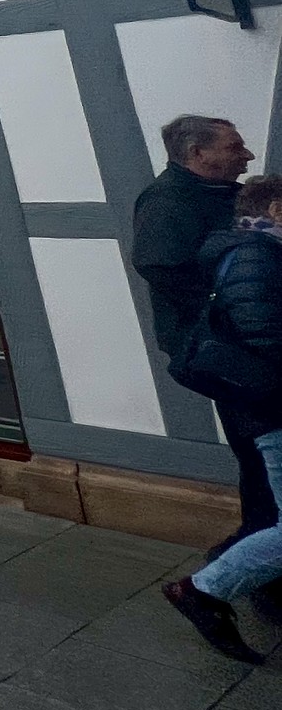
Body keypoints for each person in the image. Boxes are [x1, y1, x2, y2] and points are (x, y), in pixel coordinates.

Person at [132, 114, 270, 545]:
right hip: (227, 352)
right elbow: (162, 268)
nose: (247, 155)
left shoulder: (222, 193)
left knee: (267, 451)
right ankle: (253, 554)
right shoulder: (166, 200)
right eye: (234, 147)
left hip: (250, 343)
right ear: (197, 153)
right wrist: (236, 306)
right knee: (260, 454)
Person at [164, 173, 282, 664]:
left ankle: (205, 590)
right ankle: (202, 590)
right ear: (275, 209)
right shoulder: (256, 255)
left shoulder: (263, 251)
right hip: (273, 410)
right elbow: (266, 339)